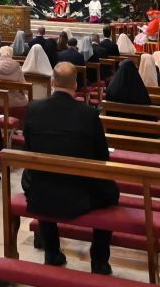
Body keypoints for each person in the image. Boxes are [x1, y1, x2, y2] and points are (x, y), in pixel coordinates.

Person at [22, 62, 117, 275]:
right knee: (110, 191)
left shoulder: (33, 109)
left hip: (42, 189)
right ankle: (99, 260)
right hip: (79, 193)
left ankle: (52, 252)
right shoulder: (89, 114)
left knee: (40, 178)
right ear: (75, 84)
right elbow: (102, 157)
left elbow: (29, 150)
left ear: (52, 82)